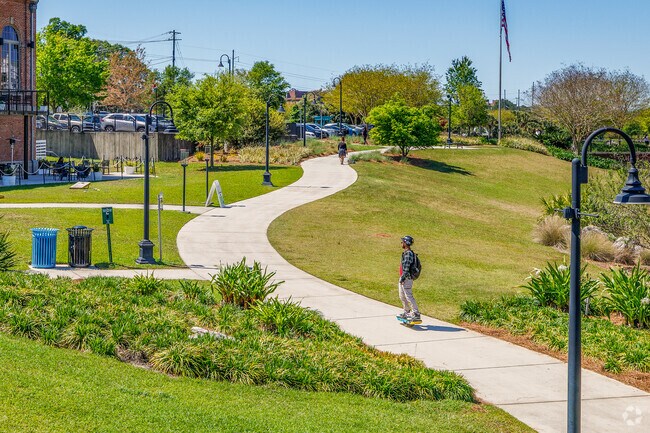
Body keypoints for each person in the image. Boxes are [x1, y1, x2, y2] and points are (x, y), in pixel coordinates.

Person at [398, 235, 420, 321]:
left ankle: (416, 313)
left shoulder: (408, 254)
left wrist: (403, 279)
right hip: (403, 278)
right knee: (402, 296)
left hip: (406, 279)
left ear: (406, 243)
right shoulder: (406, 253)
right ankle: (406, 312)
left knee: (408, 296)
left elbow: (406, 269)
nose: (401, 243)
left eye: (402, 242)